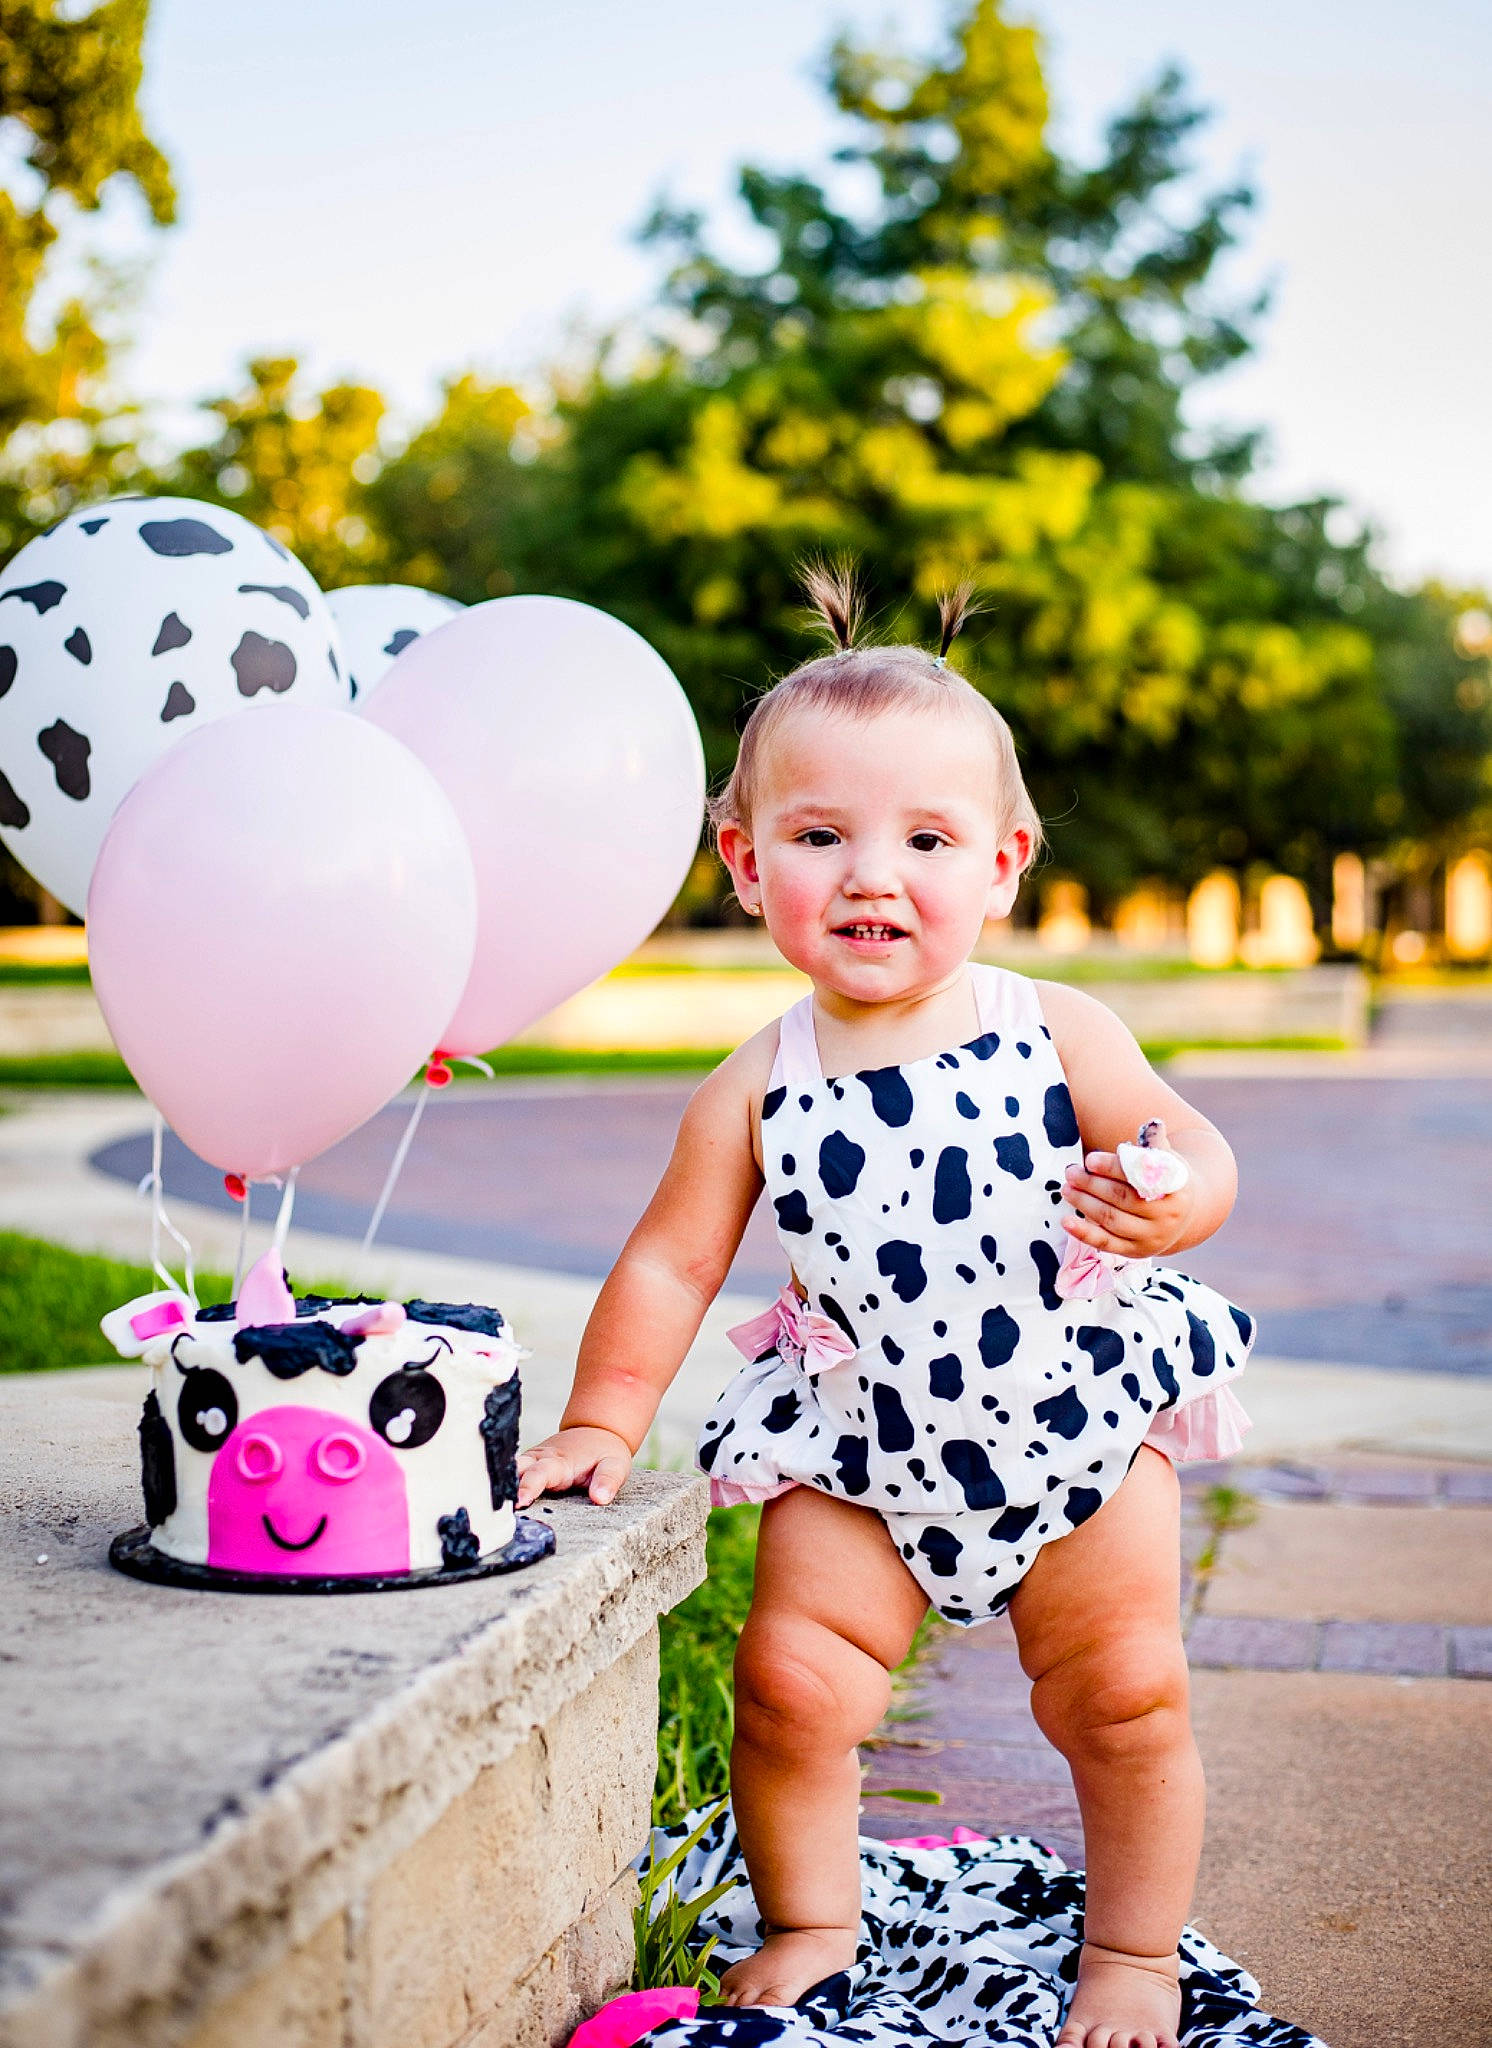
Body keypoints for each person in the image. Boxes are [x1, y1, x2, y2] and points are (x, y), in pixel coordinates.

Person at [518, 565, 1254, 2048]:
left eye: (925, 838)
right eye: (819, 836)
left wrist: (1176, 1192)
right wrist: (607, 1415)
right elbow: (672, 1261)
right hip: (865, 1445)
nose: (872, 874)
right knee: (790, 1686)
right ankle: (814, 1916)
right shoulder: (756, 1081)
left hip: (1076, 1418)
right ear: (742, 862)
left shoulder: (1056, 1026)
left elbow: (1192, 1145)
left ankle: (1131, 1952)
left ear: (1002, 862)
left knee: (1125, 1700)